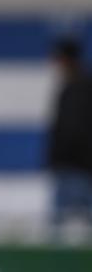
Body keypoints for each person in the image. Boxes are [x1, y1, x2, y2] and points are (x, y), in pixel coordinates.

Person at [46, 37, 92, 243]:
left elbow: (73, 130)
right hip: (76, 166)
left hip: (76, 168)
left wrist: (60, 160)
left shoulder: (78, 88)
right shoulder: (76, 85)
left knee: (58, 229)